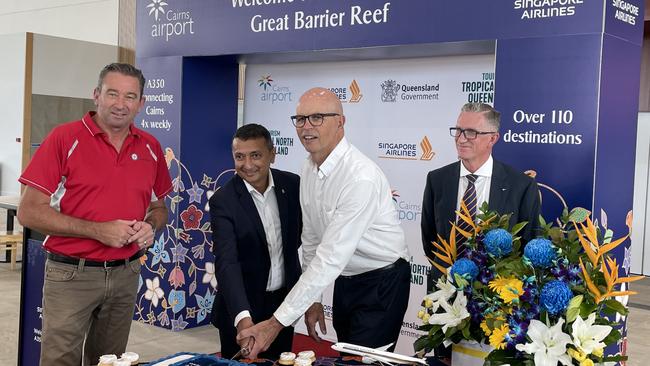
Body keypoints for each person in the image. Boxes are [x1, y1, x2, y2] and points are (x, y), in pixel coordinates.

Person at [17, 63, 172, 366]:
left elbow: (159, 207)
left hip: (126, 273)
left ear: (141, 104)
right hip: (71, 275)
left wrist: (150, 226)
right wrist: (98, 230)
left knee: (111, 361)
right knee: (59, 361)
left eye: (130, 96)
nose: (120, 103)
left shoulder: (151, 147)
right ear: (96, 95)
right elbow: (29, 212)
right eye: (112, 93)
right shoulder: (64, 139)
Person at [238, 88, 411, 358]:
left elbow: (330, 257)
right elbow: (311, 241)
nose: (307, 127)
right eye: (301, 119)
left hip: (382, 282)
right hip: (344, 280)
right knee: (346, 359)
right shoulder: (309, 166)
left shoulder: (359, 177)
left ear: (340, 122)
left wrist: (274, 325)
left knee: (364, 362)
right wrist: (314, 300)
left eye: (317, 117)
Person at [421, 102, 541, 286]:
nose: (461, 139)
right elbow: (430, 240)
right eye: (458, 130)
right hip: (443, 291)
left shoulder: (521, 186)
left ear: (493, 139)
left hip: (495, 298)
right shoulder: (437, 180)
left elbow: (527, 246)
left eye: (471, 132)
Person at [209, 123, 302, 359]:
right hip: (241, 307)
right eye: (240, 157)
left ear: (272, 154)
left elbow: (304, 242)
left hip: (282, 308)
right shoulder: (224, 200)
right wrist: (242, 318)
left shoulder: (293, 186)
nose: (248, 165)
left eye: (256, 155)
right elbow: (227, 261)